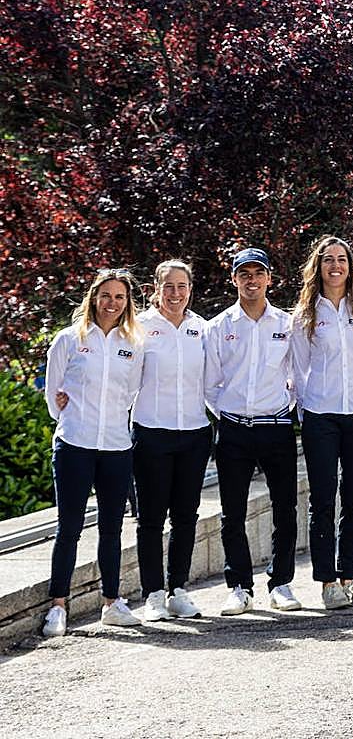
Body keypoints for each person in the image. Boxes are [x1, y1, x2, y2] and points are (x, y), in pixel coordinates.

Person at [42, 269, 145, 636]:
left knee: (111, 529)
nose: (112, 303)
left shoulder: (132, 344)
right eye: (106, 295)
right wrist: (72, 417)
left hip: (116, 447)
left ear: (127, 303)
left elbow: (131, 393)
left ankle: (111, 602)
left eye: (119, 297)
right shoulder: (69, 340)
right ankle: (58, 607)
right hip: (74, 445)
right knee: (68, 528)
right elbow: (53, 395)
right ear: (93, 297)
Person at [204, 247, 302, 615]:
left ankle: (281, 583)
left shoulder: (286, 324)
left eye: (257, 273)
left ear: (269, 279)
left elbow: (297, 373)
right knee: (232, 511)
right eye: (244, 273)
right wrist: (232, 414)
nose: (251, 279)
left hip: (276, 426)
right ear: (234, 279)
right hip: (234, 430)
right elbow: (210, 383)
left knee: (285, 508)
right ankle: (240, 586)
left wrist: (281, 406)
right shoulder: (219, 327)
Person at [291, 236, 353, 609]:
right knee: (323, 500)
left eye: (341, 259)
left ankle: (349, 576)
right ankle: (327, 581)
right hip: (320, 415)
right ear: (318, 267)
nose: (335, 266)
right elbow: (298, 368)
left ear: (350, 264)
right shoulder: (305, 315)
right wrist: (306, 409)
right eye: (327, 259)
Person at [132, 260, 210, 622]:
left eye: (182, 286)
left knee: (186, 516)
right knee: (150, 519)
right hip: (151, 433)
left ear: (190, 289)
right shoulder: (141, 329)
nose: (176, 294)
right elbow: (122, 377)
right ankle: (153, 594)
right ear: (155, 288)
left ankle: (178, 589)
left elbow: (217, 380)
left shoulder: (201, 329)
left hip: (194, 433)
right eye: (169, 287)